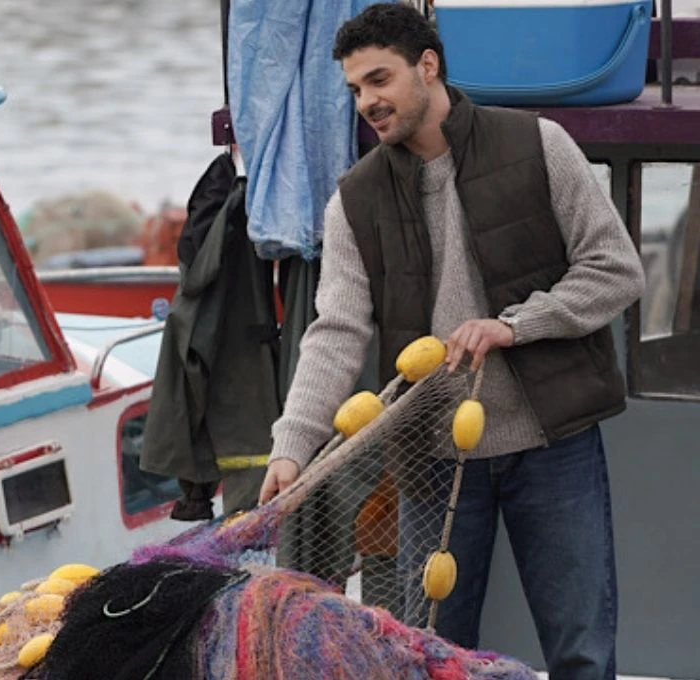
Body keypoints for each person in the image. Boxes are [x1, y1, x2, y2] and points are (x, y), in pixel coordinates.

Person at [258, 4, 645, 679]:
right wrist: (292, 446)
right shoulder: (354, 199)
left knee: (582, 651)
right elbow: (336, 332)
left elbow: (616, 269)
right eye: (354, 89)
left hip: (552, 446)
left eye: (379, 80)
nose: (367, 102)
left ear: (427, 66)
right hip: (433, 457)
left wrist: (517, 323)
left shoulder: (538, 144)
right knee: (425, 656)